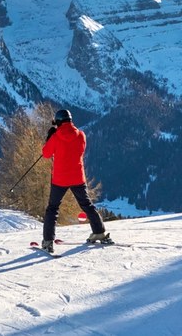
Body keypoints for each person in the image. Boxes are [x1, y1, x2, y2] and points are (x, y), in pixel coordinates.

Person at [39, 108, 111, 253]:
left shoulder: (56, 137)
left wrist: (50, 137)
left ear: (58, 122)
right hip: (78, 177)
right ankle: (99, 231)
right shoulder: (81, 135)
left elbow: (46, 154)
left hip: (60, 179)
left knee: (52, 209)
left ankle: (48, 241)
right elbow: (80, 150)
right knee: (87, 205)